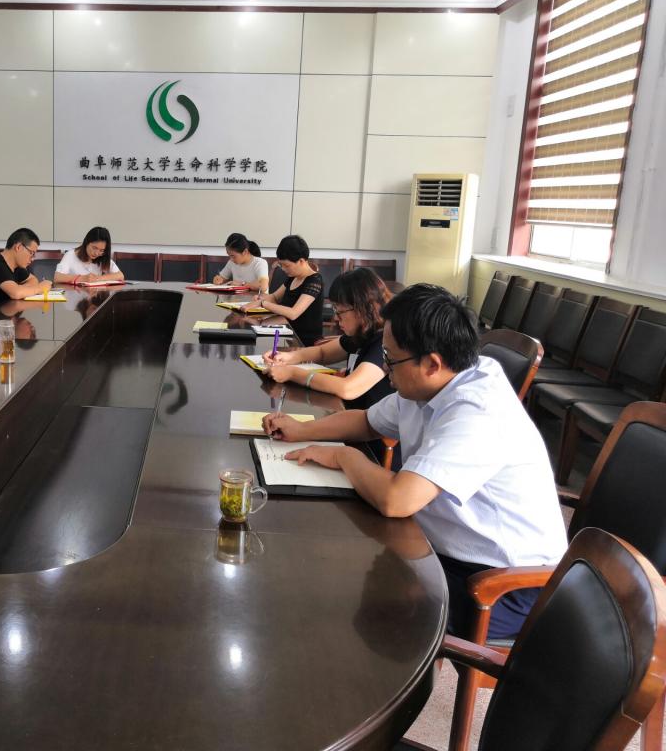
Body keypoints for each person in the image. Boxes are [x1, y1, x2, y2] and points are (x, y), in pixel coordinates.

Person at [263, 284, 567, 639]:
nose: (385, 367)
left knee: (353, 598)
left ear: (432, 364)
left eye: (390, 359)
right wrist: (301, 430)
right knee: (335, 563)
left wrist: (343, 455)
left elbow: (397, 500)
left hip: (503, 584)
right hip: (444, 547)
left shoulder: (478, 411)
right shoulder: (433, 381)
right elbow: (366, 421)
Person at [264, 267, 395, 463]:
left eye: (340, 312)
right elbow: (323, 352)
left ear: (363, 309)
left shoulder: (383, 342)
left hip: (369, 444)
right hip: (347, 422)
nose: (335, 318)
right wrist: (289, 357)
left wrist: (292, 373)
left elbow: (348, 388)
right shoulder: (362, 332)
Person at [241, 234, 323, 346]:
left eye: (287, 265)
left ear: (301, 261)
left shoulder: (315, 281)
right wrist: (259, 300)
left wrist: (262, 303)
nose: (283, 269)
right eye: (281, 265)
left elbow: (293, 313)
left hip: (304, 341)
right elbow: (274, 297)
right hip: (287, 332)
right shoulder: (293, 277)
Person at [53, 226, 125, 284]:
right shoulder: (70, 255)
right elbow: (57, 277)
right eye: (94, 248)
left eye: (101, 250)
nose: (96, 253)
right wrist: (82, 278)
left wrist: (98, 278)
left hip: (94, 296)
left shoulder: (102, 257)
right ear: (86, 242)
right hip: (74, 296)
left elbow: (120, 276)